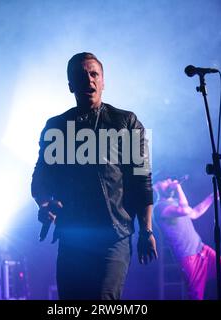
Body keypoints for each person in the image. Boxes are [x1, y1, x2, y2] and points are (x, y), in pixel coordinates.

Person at [31, 52, 157, 300]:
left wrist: (147, 231)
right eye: (80, 75)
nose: (88, 80)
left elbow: (142, 181)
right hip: (72, 237)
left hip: (114, 235)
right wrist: (44, 204)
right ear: (70, 85)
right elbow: (40, 179)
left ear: (103, 81)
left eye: (93, 74)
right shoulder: (56, 126)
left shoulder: (127, 122)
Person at [153, 177, 221, 300]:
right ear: (155, 186)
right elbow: (185, 210)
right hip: (188, 257)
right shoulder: (159, 208)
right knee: (196, 295)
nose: (169, 182)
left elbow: (195, 213)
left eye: (169, 179)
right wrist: (179, 187)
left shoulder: (176, 202)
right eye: (165, 181)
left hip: (202, 249)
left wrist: (211, 197)